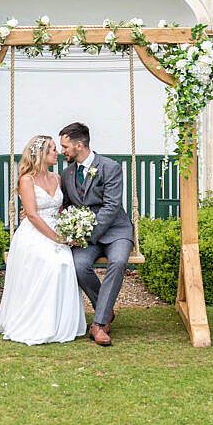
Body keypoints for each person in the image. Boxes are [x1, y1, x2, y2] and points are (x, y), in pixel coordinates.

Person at [0, 135, 87, 345]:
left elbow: (61, 208)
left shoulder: (57, 178)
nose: (57, 153)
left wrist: (71, 227)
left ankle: (59, 323)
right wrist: (57, 238)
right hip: (34, 233)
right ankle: (37, 322)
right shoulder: (27, 180)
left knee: (65, 264)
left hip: (57, 229)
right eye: (53, 149)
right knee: (50, 264)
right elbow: (33, 215)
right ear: (42, 155)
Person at [59, 122, 134, 346]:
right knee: (79, 265)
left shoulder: (110, 167)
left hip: (116, 230)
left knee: (119, 262)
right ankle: (106, 310)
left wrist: (87, 234)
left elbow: (111, 207)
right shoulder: (66, 173)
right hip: (86, 236)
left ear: (79, 145)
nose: (62, 151)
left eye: (65, 146)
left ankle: (99, 324)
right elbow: (63, 204)